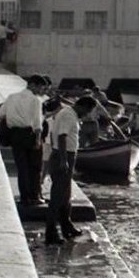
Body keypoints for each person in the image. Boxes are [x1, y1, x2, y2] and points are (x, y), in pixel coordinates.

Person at [45, 95, 98, 245]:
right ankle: (51, 233)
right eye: (88, 111)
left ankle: (66, 225)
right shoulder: (68, 115)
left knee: (66, 195)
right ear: (82, 106)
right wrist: (63, 161)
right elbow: (62, 137)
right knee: (57, 197)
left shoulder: (68, 113)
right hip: (63, 156)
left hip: (66, 155)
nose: (87, 114)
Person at [0, 74, 49, 206]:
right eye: (39, 87)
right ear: (33, 85)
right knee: (35, 167)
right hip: (30, 134)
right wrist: (38, 140)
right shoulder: (35, 100)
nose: (40, 91)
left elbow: (1, 113)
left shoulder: (11, 97)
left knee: (22, 167)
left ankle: (24, 197)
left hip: (15, 135)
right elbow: (38, 123)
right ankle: (34, 196)